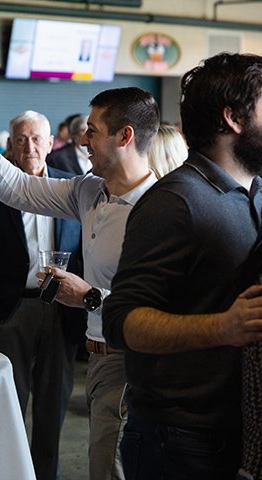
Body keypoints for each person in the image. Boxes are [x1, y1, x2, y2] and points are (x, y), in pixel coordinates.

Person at [0, 76, 160, 480]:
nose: (82, 140)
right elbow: (15, 187)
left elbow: (161, 304)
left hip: (136, 361)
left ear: (125, 136)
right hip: (99, 355)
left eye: (92, 131)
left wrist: (89, 297)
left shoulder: (161, 208)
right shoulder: (90, 191)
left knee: (114, 466)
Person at [102, 52, 262, 479]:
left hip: (243, 434)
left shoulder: (257, 190)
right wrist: (225, 327)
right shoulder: (175, 202)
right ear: (234, 119)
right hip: (181, 441)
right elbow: (121, 322)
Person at [0, 110, 85, 480]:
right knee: (6, 405)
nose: (29, 146)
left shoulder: (71, 188)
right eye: (21, 139)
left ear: (50, 144)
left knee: (53, 407)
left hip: (62, 307)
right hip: (9, 308)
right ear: (10, 144)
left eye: (36, 139)